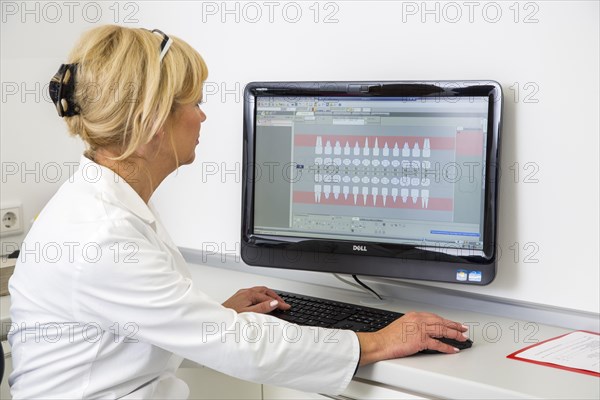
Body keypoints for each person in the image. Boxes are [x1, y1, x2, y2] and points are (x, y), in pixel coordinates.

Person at [8, 25, 469, 399]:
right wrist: (379, 340)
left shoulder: (105, 205)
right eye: (195, 102)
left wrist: (214, 315)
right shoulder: (102, 233)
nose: (202, 118)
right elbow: (241, 348)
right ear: (153, 122)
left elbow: (132, 328)